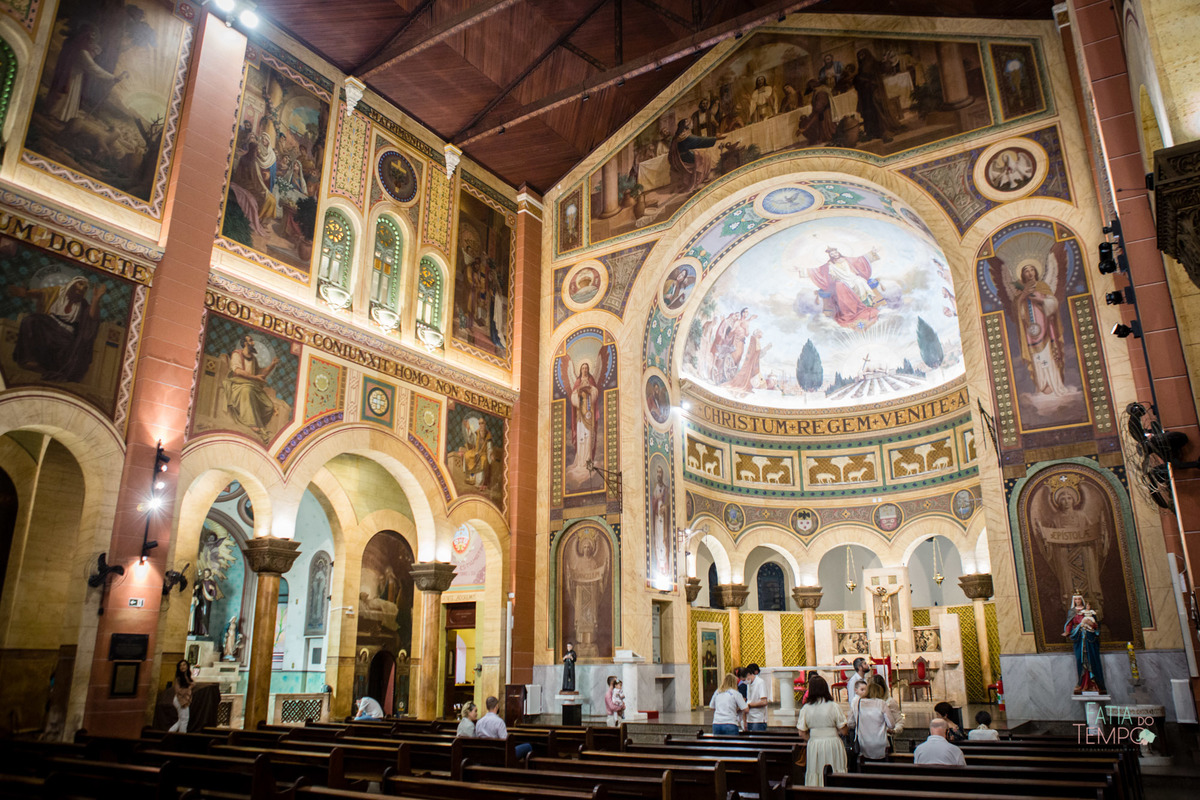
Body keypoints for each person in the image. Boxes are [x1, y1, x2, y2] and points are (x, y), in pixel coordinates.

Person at [10, 276, 106, 383]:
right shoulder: (57, 292)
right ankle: (29, 360)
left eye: (85, 287)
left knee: (68, 346)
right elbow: (41, 293)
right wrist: (26, 293)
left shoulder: (82, 305)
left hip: (65, 333)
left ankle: (49, 369)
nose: (82, 288)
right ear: (72, 284)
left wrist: (96, 300)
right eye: (80, 284)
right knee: (30, 320)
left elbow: (92, 317)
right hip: (49, 324)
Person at [224, 334, 280, 441]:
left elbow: (261, 373)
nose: (253, 343)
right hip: (238, 385)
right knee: (247, 390)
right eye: (251, 341)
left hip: (252, 386)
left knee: (269, 406)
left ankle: (259, 424)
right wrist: (254, 377)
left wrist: (272, 365)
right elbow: (237, 371)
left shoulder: (253, 359)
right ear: (245, 343)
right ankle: (251, 423)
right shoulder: (236, 354)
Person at [795, 675, 847, 786]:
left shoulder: (806, 708)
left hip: (815, 745)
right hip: (833, 743)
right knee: (835, 772)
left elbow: (802, 733)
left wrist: (814, 738)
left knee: (816, 773)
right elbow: (844, 731)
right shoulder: (833, 706)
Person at [848, 677, 898, 761]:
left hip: (864, 745)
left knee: (865, 769)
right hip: (880, 744)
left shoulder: (857, 703)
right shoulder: (881, 703)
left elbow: (851, 724)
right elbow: (891, 725)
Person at [1064, 594, 1106, 693]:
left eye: (1079, 599)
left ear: (1082, 600)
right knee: (1081, 659)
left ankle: (1095, 683)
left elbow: (1096, 624)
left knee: (1092, 658)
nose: (1078, 601)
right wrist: (1067, 631)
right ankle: (1082, 683)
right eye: (1076, 599)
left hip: (1090, 637)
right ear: (1073, 601)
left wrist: (1092, 624)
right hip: (1079, 638)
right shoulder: (1072, 611)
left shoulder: (1089, 611)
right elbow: (1069, 623)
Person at [168, 659, 193, 733]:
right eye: (180, 665)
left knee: (182, 719)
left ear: (187, 666)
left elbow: (191, 683)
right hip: (180, 699)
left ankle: (170, 733)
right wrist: (189, 688)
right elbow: (178, 691)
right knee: (184, 719)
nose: (182, 667)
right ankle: (181, 737)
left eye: (184, 665)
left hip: (184, 699)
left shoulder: (187, 676)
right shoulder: (178, 678)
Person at [744, 663, 769, 732]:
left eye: (744, 679)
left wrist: (749, 705)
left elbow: (764, 701)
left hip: (759, 719)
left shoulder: (760, 682)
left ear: (749, 674)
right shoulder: (748, 683)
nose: (744, 681)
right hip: (749, 718)